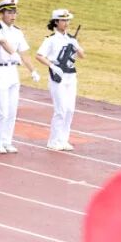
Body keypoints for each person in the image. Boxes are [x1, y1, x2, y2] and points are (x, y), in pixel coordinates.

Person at [0, 0, 41, 154]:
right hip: (0, 70)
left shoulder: (17, 31)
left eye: (15, 12)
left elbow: (24, 54)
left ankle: (7, 141)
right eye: (10, 12)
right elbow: (3, 43)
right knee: (1, 111)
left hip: (13, 72)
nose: (13, 16)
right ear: (2, 13)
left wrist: (32, 70)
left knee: (12, 110)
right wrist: (14, 54)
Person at [36, 9, 86, 152]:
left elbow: (82, 55)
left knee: (70, 110)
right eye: (63, 20)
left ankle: (63, 140)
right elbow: (39, 56)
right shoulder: (50, 39)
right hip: (58, 77)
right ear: (56, 22)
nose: (66, 23)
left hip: (71, 76)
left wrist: (76, 45)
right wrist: (52, 66)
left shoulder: (70, 38)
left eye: (67, 20)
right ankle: (53, 141)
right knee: (61, 110)